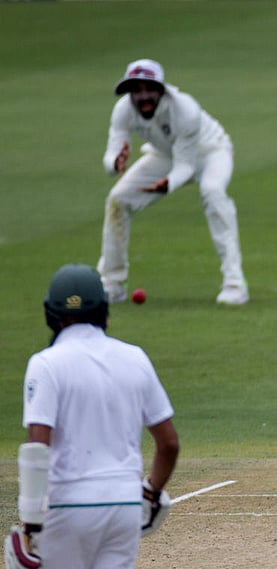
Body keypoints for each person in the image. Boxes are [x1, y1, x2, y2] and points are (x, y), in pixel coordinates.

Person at [5, 263, 180, 569]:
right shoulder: (135, 358)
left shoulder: (45, 364)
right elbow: (169, 444)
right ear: (103, 310)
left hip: (67, 506)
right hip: (124, 506)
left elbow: (37, 449)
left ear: (51, 313)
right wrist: (151, 493)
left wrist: (31, 523)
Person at [98, 58, 249, 305]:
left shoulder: (185, 110)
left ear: (161, 90)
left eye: (149, 89)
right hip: (165, 155)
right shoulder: (122, 110)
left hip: (211, 152)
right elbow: (112, 153)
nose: (143, 96)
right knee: (119, 199)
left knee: (212, 191)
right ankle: (113, 283)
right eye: (136, 90)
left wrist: (167, 184)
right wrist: (115, 163)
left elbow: (186, 167)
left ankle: (235, 283)